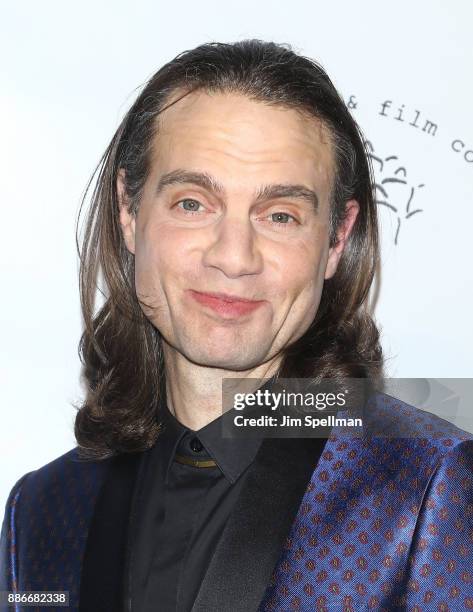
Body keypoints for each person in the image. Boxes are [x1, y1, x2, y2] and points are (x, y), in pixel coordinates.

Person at [1, 39, 472, 612]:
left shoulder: (428, 485)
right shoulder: (44, 508)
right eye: (193, 204)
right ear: (129, 212)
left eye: (280, 216)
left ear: (335, 241)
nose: (233, 256)